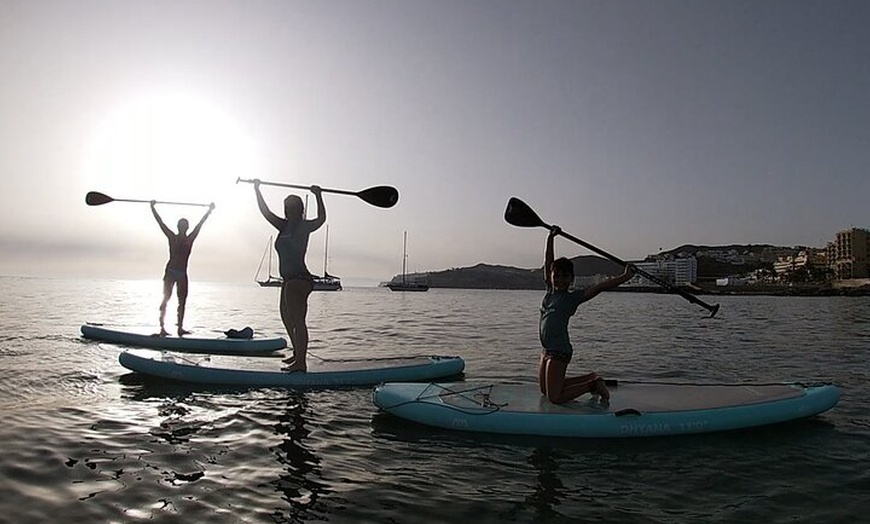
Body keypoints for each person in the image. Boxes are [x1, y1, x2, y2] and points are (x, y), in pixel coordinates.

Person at [538, 225, 634, 405]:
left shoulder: (572, 298)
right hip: (546, 350)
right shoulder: (550, 292)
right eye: (556, 276)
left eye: (565, 277)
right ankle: (592, 377)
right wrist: (551, 238)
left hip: (559, 351)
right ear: (551, 276)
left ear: (571, 279)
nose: (559, 280)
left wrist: (625, 277)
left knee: (555, 398)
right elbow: (548, 260)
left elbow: (599, 287)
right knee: (545, 390)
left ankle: (593, 385)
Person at [253, 180, 325, 372]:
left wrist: (318, 195)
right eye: (287, 207)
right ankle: (297, 354)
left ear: (299, 209)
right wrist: (257, 189)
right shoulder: (282, 226)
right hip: (288, 281)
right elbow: (265, 212)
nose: (288, 210)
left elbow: (321, 219)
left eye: (292, 207)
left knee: (297, 320)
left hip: (300, 279)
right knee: (286, 318)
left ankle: (301, 363)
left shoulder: (304, 226)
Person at [151, 201, 214, 337]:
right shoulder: (172, 237)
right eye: (182, 226)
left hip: (182, 274)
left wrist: (209, 211)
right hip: (171, 272)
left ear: (186, 227)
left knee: (182, 301)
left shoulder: (189, 238)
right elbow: (160, 222)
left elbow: (200, 225)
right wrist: (152, 208)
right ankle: (162, 328)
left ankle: (180, 328)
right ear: (179, 227)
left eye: (185, 226)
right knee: (166, 298)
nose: (183, 228)